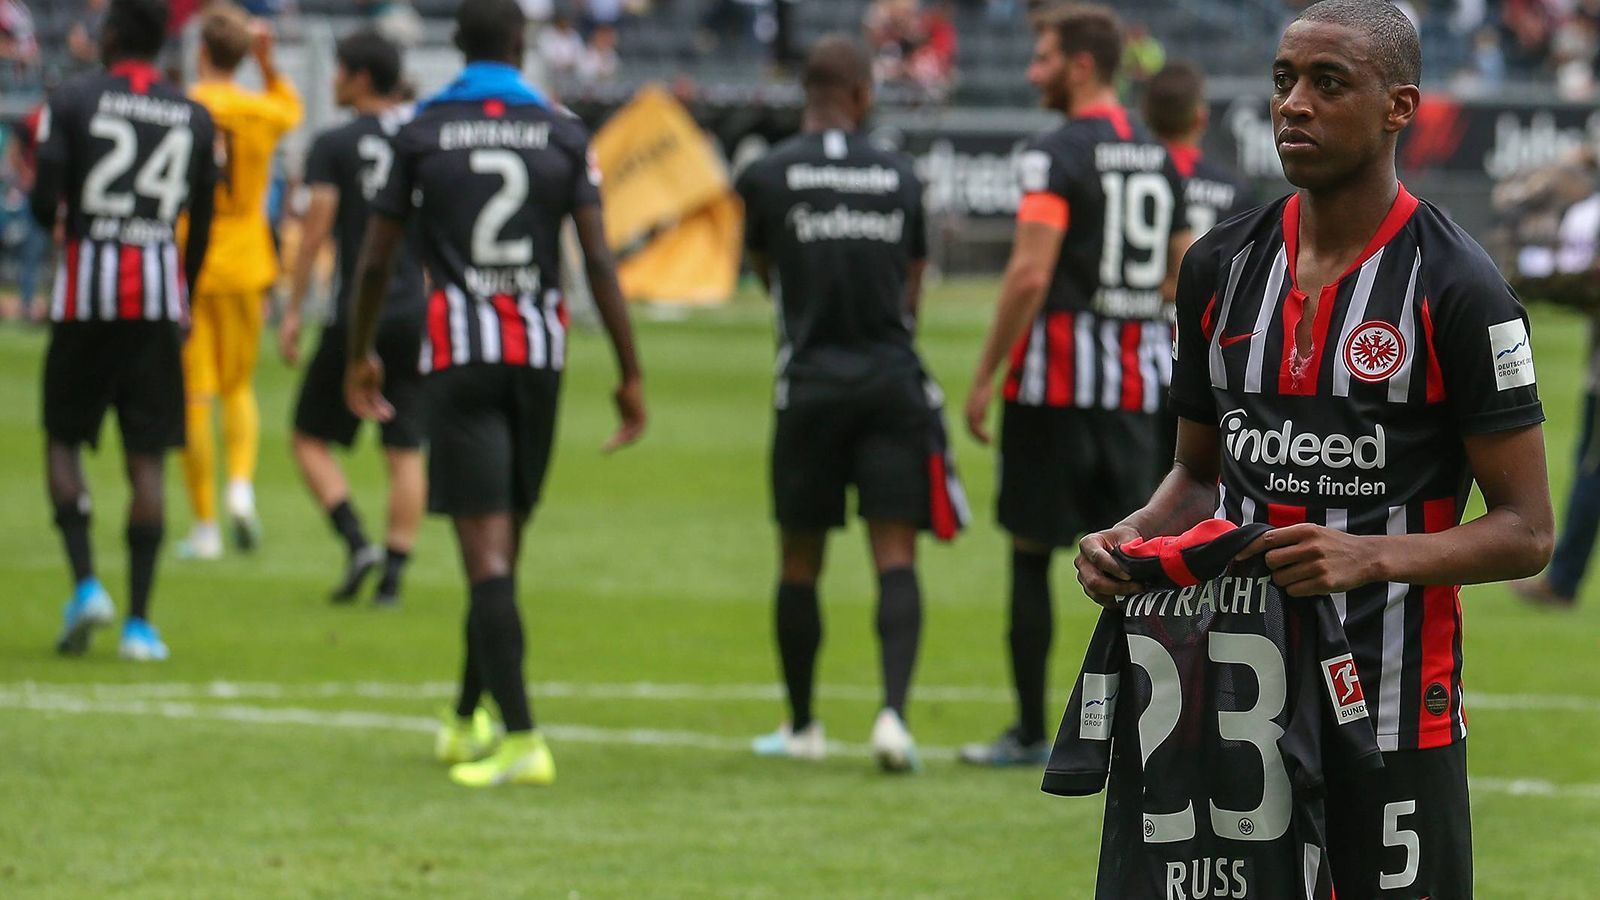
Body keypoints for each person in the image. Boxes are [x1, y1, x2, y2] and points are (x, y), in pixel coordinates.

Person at [1075, 1, 1553, 895]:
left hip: (1392, 712)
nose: (1294, 104)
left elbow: (1528, 531)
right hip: (1233, 700)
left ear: (1397, 107)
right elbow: (1197, 474)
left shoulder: (1459, 287)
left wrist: (1366, 555)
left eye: (1327, 84)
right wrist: (1129, 538)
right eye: (1284, 81)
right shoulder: (1218, 268)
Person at [345, 0, 647, 788]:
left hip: (462, 358)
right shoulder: (562, 130)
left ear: (456, 46)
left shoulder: (420, 130)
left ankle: (521, 738)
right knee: (502, 547)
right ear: (522, 44)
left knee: (485, 557)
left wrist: (361, 353)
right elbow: (598, 260)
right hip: (539, 358)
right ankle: (462, 715)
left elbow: (376, 262)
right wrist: (630, 371)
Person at [959, 3, 1191, 767]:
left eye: (1044, 58)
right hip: (1136, 387)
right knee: (1140, 564)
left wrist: (987, 372)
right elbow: (1183, 269)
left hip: (1056, 386)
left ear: (1082, 66)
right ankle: (1153, 731)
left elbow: (1029, 270)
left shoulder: (1053, 152)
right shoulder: (1159, 155)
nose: (1033, 73)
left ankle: (1030, 731)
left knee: (1031, 553)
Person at [736, 35, 965, 773]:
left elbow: (764, 273)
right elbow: (915, 279)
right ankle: (893, 719)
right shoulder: (898, 173)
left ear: (806, 94)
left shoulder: (767, 176)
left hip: (808, 386)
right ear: (863, 95)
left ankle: (802, 726)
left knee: (800, 558)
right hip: (890, 382)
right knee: (893, 553)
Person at [32, 0, 217, 660]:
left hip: (88, 297)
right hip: (157, 302)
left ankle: (86, 586)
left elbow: (43, 189)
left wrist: (60, 219)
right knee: (148, 459)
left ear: (110, 36)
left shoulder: (75, 98)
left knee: (63, 440)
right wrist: (185, 297)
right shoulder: (193, 114)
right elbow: (204, 220)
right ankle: (140, 624)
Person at [279, 29, 423, 607]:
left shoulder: (334, 144)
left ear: (361, 77)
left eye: (339, 71)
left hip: (357, 314)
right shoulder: (421, 138)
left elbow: (315, 231)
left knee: (309, 436)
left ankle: (356, 539)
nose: (334, 80)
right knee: (405, 446)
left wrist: (292, 309)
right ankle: (393, 574)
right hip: (414, 309)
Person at [177, 4, 302, 560]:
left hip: (191, 260)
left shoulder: (184, 108)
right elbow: (293, 107)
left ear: (201, 52)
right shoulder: (261, 110)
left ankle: (204, 526)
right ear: (242, 54)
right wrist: (268, 65)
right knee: (238, 386)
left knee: (195, 393)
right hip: (249, 261)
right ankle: (241, 490)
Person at [1142, 60, 1249, 480]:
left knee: (1144, 485)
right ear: (1200, 117)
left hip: (1138, 343)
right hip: (1207, 346)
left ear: (1146, 116)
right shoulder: (1232, 187)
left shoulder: (1134, 174)